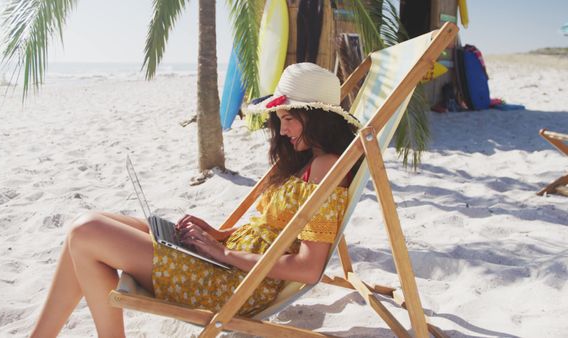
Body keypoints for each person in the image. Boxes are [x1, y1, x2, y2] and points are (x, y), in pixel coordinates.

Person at [29, 62, 362, 337]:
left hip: (232, 286)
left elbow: (308, 267)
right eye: (280, 119)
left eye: (288, 118)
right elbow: (272, 230)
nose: (282, 129)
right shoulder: (307, 161)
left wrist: (224, 253)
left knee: (87, 232)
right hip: (225, 265)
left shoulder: (326, 167)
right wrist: (217, 235)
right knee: (86, 228)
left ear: (315, 116)